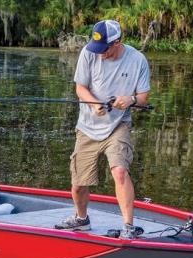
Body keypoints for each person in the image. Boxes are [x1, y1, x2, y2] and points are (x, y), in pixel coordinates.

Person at [55, 20, 151, 239]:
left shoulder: (137, 60)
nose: (100, 53)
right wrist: (93, 104)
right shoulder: (89, 53)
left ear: (117, 42)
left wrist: (131, 100)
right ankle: (81, 220)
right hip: (87, 127)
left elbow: (144, 99)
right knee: (79, 184)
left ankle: (128, 227)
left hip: (118, 125)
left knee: (119, 171)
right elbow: (80, 88)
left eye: (105, 48)